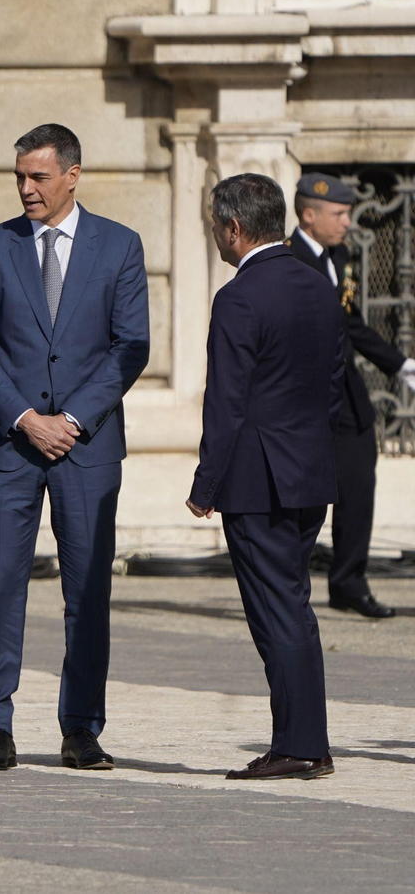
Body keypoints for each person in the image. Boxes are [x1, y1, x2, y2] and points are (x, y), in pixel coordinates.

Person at [0, 123, 149, 773]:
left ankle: (81, 727)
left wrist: (72, 417)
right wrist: (25, 417)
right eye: (19, 177)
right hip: (10, 446)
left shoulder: (119, 246)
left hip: (86, 447)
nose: (27, 189)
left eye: (38, 176)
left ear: (73, 174)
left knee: (87, 589)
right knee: (1, 583)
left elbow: (131, 346)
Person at [189, 173, 343, 780]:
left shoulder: (238, 296)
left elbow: (224, 402)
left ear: (233, 226)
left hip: (257, 480)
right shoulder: (316, 284)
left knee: (277, 613)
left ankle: (302, 745)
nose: (215, 235)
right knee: (293, 607)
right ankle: (301, 740)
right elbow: (332, 387)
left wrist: (206, 485)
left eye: (215, 224)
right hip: (309, 473)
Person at [287, 172, 414, 619]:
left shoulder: (337, 255)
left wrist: (401, 365)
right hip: (307, 402)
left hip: (349, 396)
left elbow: (351, 323)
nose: (347, 222)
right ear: (309, 214)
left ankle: (348, 582)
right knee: (301, 499)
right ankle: (288, 589)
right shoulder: (289, 260)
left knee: (359, 488)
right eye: (339, 214)